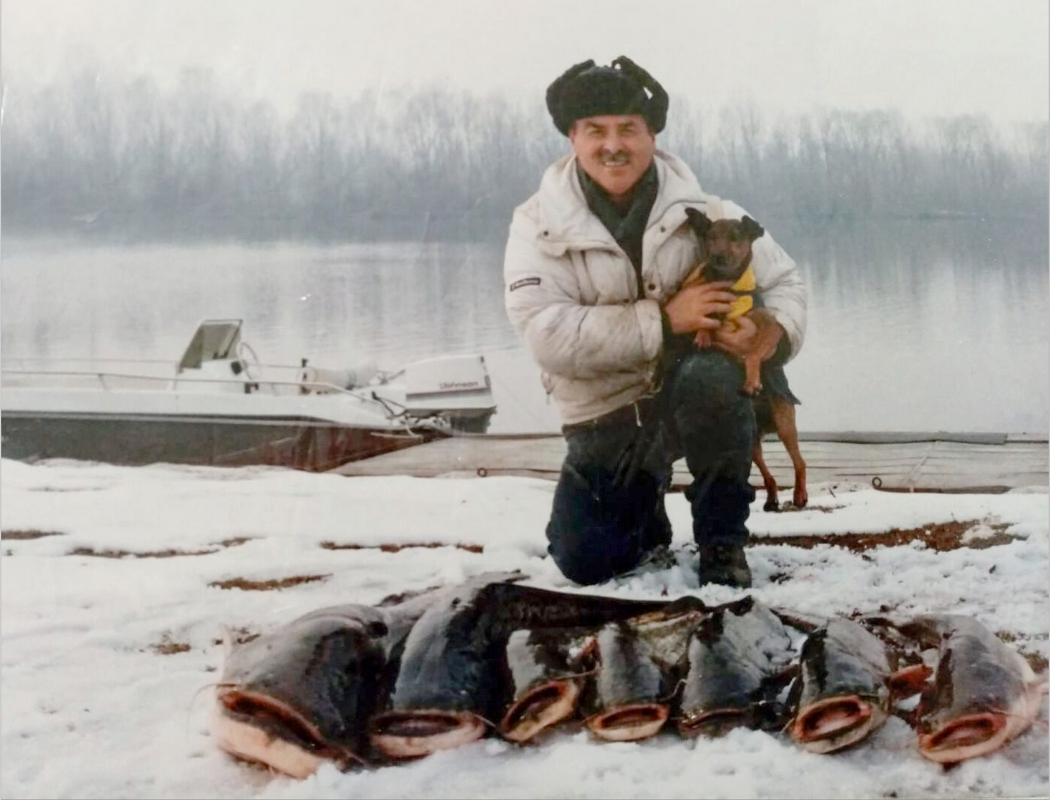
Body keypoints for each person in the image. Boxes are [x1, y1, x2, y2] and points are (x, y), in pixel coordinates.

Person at [503, 56, 808, 588]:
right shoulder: (536, 225)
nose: (613, 145)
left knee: (713, 378)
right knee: (587, 561)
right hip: (604, 415)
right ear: (572, 137)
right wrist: (665, 321)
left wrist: (770, 333)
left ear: (652, 136)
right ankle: (645, 514)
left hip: (690, 399)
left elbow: (788, 285)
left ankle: (722, 542)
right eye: (595, 130)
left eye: (629, 129)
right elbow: (546, 334)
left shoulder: (709, 213)